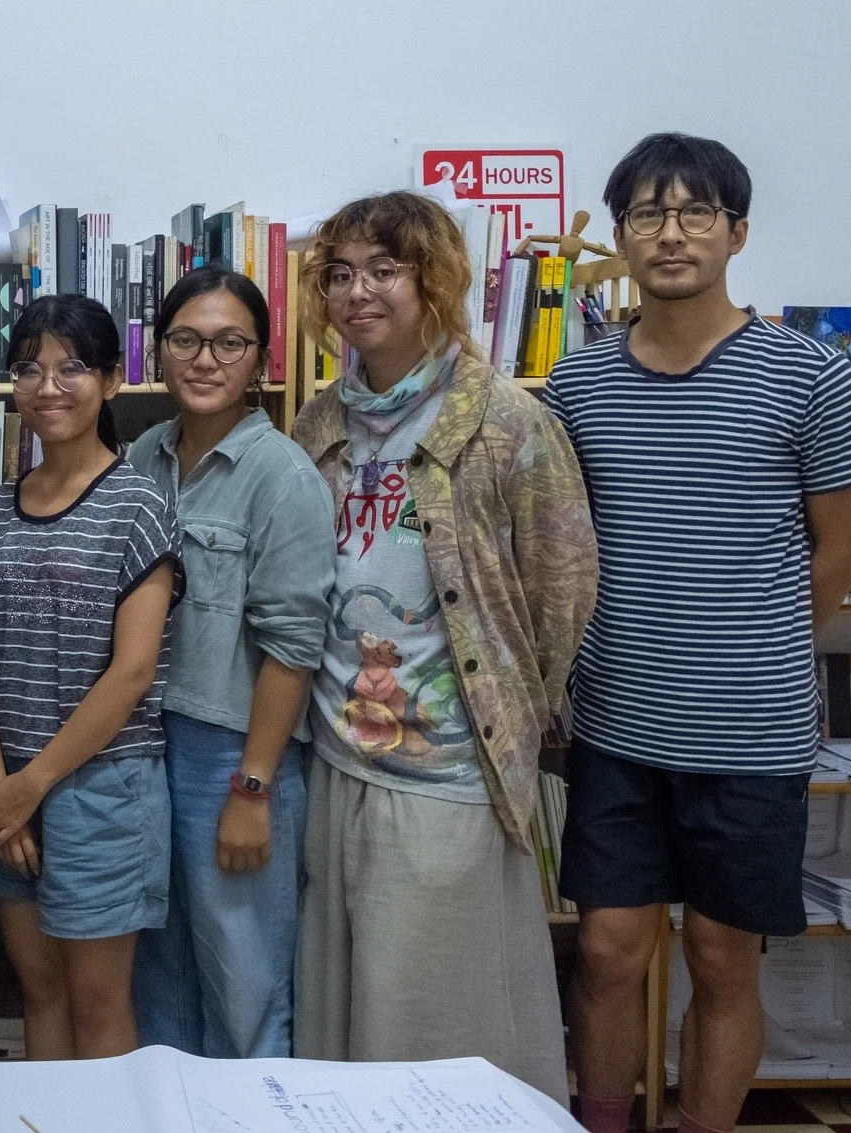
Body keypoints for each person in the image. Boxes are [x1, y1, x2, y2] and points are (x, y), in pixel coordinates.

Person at [552, 135, 851, 1133]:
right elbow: (563, 548)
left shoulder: (810, 375)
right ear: (619, 239)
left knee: (721, 958)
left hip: (749, 735)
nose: (671, 233)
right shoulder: (576, 385)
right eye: (646, 214)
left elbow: (842, 550)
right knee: (606, 950)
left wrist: (745, 651)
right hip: (614, 726)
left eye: (695, 211)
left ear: (736, 232)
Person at [289, 190, 594, 1102]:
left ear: (435, 280)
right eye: (340, 274)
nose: (358, 292)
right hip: (336, 760)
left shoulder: (505, 420)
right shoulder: (318, 424)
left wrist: (509, 706)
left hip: (451, 772)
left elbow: (563, 590)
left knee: (435, 1023)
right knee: (346, 1013)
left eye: (384, 270)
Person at [128, 267, 335, 1059]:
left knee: (245, 984)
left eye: (229, 342)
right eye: (186, 339)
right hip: (144, 745)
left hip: (234, 754)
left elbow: (293, 645)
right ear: (159, 350)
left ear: (261, 360)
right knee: (161, 979)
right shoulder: (143, 456)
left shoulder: (283, 475)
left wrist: (252, 786)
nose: (205, 358)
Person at [0, 294, 180, 1061]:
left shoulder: (140, 502)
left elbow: (133, 671)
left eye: (72, 368)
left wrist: (33, 784)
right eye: (29, 369)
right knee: (39, 991)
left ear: (112, 380)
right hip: (6, 796)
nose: (48, 387)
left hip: (102, 790)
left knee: (97, 1003)